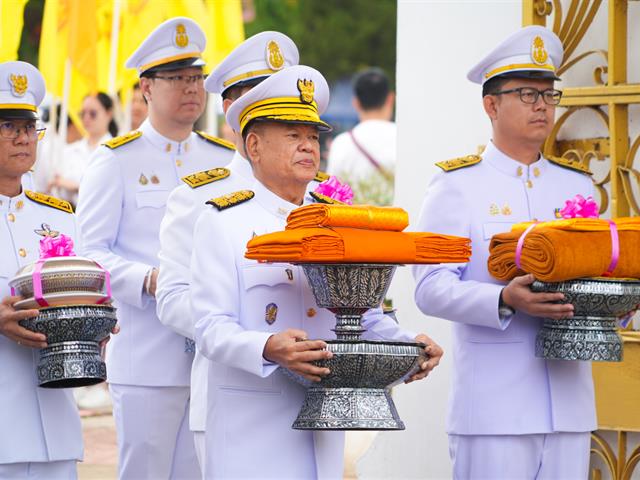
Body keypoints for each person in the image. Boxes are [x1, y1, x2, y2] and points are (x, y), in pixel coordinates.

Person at [190, 64, 443, 479]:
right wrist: (269, 346)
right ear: (253, 145)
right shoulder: (222, 222)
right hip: (251, 430)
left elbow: (364, 315)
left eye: (312, 136)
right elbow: (209, 328)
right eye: (292, 134)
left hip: (324, 434)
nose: (308, 145)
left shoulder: (339, 218)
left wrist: (407, 348)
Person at [412, 26, 595, 478]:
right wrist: (502, 299)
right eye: (527, 94)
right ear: (491, 105)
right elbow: (430, 287)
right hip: (494, 410)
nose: (542, 106)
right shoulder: (457, 185)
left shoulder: (577, 185)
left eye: (549, 95)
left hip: (569, 405)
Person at [77, 17, 234, 480]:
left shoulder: (222, 160)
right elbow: (91, 253)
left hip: (211, 350)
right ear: (146, 87)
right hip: (145, 351)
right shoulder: (115, 160)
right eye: (178, 78)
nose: (192, 88)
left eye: (197, 78)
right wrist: (148, 279)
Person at [156, 30, 300, 470]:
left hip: (312, 393)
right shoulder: (200, 196)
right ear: (232, 112)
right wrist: (258, 340)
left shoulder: (315, 196)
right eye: (260, 99)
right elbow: (173, 298)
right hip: (237, 392)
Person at [0, 61, 80, 479]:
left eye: (29, 127)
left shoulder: (60, 215)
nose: (22, 137)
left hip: (53, 423)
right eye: (8, 126)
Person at [327, 67, 396, 205]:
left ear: (356, 103)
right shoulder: (403, 138)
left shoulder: (341, 143)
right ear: (390, 99)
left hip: (353, 224)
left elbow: (331, 194)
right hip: (399, 223)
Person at [49, 92, 117, 204]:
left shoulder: (117, 151)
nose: (86, 118)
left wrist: (74, 186)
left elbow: (107, 191)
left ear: (109, 114)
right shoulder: (70, 150)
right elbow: (57, 188)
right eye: (83, 113)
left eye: (93, 113)